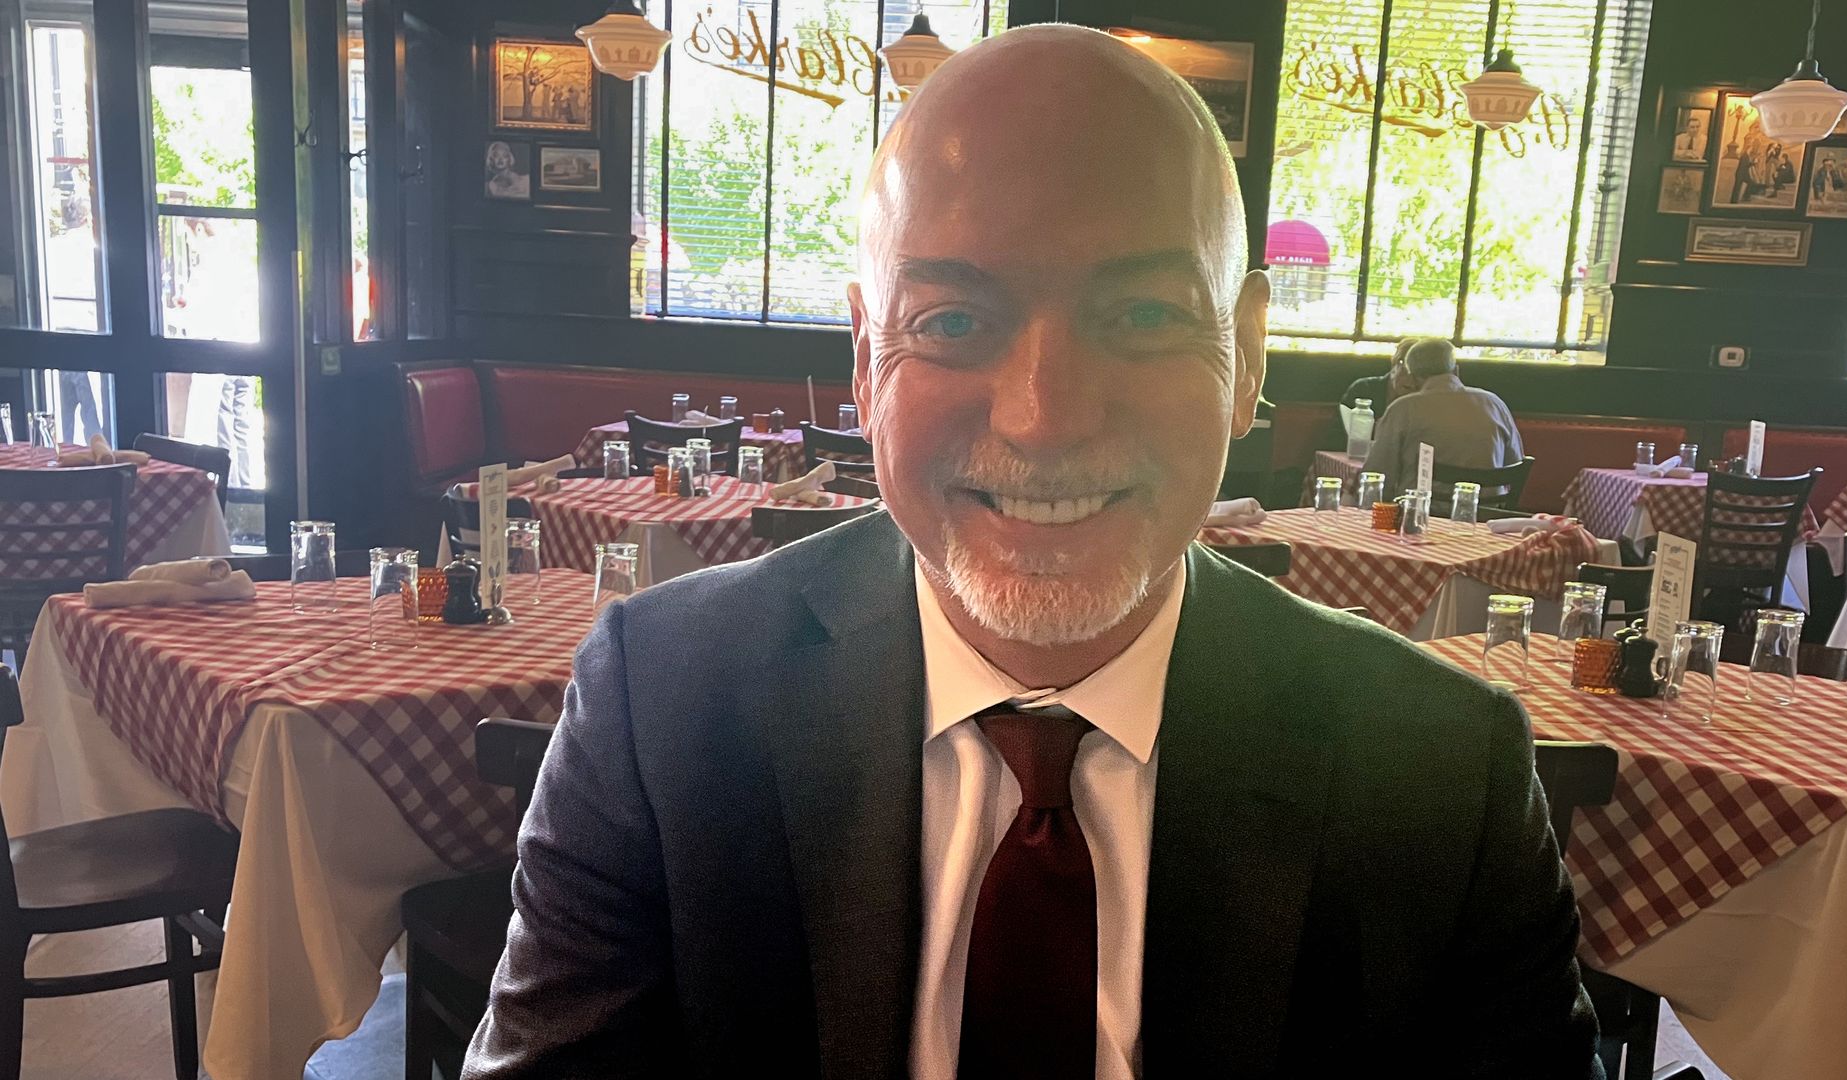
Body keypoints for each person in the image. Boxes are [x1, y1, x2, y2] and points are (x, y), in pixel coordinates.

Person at [466, 25, 1599, 1079]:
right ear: (867, 362)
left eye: (1145, 316)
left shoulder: (1443, 774)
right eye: (955, 322)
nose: (1045, 417)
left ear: (1248, 354)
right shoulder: (662, 704)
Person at [1361, 337, 1525, 497]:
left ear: (1411, 376)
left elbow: (1377, 476)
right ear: (1456, 370)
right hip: (1488, 516)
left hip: (1422, 515)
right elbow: (1515, 464)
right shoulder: (1494, 404)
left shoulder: (1403, 409)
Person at [1337, 336, 1420, 410]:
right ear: (1394, 362)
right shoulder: (1363, 389)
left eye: (1419, 374)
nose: (1412, 381)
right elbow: (1338, 425)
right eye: (1405, 369)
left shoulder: (1423, 400)